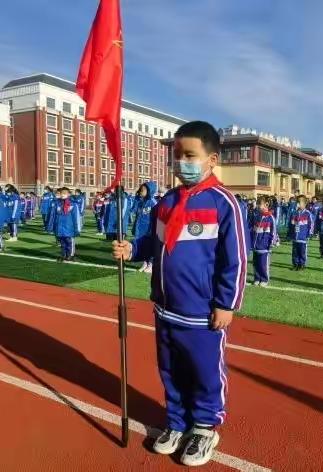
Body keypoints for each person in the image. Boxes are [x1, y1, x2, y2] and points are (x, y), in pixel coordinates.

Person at [112, 121, 247, 467]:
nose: (181, 162)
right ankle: (177, 421)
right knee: (169, 368)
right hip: (166, 308)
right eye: (177, 155)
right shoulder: (167, 201)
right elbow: (154, 243)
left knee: (203, 370)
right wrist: (133, 248)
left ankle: (204, 426)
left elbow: (236, 260)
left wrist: (226, 304)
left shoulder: (223, 204)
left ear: (211, 158)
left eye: (190, 155)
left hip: (202, 313)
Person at [47, 187, 81, 262]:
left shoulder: (73, 204)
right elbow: (53, 215)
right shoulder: (57, 204)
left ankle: (70, 255)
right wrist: (50, 226)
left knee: (69, 241)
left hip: (69, 227)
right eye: (61, 193)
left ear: (68, 194)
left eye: (64, 193)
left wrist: (77, 229)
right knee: (62, 242)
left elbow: (76, 217)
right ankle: (63, 255)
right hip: (59, 227)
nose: (63, 195)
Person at [132, 181, 158, 273]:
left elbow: (156, 217)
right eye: (141, 189)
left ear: (149, 191)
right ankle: (145, 263)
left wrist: (153, 229)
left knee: (151, 246)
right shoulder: (141, 202)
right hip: (141, 229)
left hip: (149, 229)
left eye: (143, 190)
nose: (141, 191)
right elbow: (137, 216)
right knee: (143, 247)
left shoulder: (153, 202)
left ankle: (151, 264)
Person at [251, 196, 276, 286]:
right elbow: (253, 230)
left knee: (263, 264)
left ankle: (264, 279)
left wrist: (271, 243)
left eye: (259, 204)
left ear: (266, 204)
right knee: (255, 264)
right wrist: (252, 242)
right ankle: (257, 278)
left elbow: (274, 232)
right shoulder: (257, 216)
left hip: (265, 247)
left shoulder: (270, 218)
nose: (258, 206)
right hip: (256, 246)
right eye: (257, 204)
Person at [288, 195, 313, 270]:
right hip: (295, 237)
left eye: (300, 202)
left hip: (303, 237)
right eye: (297, 202)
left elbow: (311, 225)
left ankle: (302, 264)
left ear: (305, 204)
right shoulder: (294, 213)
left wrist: (309, 235)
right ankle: (295, 264)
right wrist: (291, 233)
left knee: (302, 252)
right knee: (295, 252)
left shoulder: (308, 213)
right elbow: (291, 224)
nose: (298, 204)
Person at [0, 187, 8, 252]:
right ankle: (2, 246)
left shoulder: (2, 197)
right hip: (3, 216)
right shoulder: (4, 196)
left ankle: (1, 246)